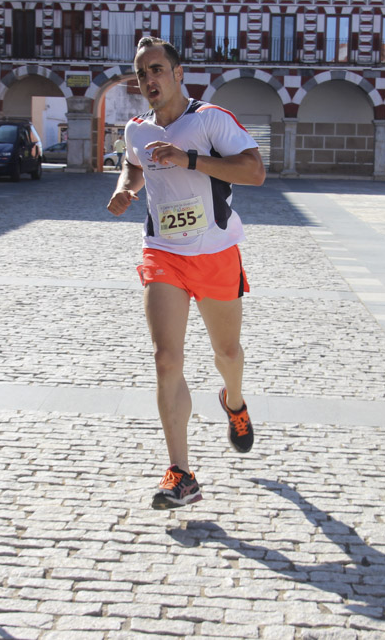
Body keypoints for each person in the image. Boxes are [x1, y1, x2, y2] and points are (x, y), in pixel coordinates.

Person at [106, 37, 266, 510]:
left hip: (216, 251)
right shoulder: (136, 130)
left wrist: (188, 159)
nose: (149, 80)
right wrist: (125, 190)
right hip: (163, 254)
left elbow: (255, 171)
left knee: (227, 351)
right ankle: (181, 473)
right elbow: (134, 167)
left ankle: (234, 403)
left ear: (179, 73)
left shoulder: (210, 120)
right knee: (165, 359)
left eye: (157, 70)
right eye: (142, 74)